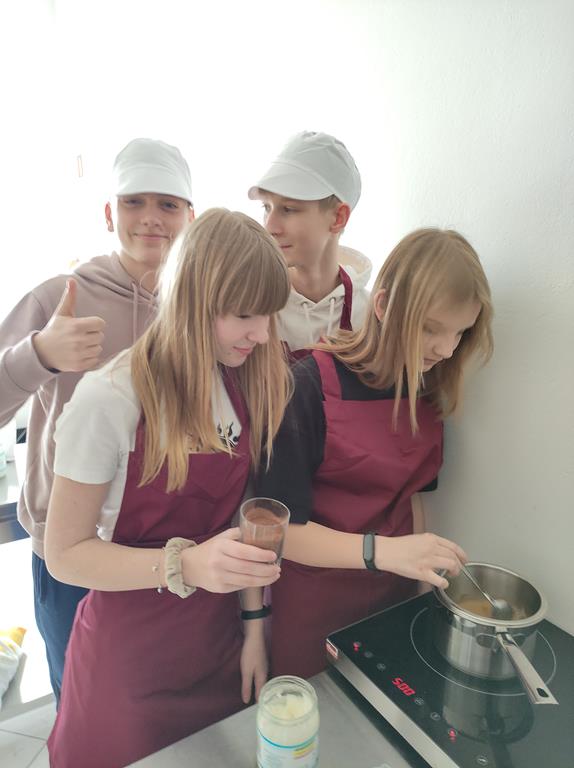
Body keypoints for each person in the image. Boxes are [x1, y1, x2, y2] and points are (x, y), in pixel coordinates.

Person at [44, 208, 293, 768]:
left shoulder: (237, 380)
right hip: (131, 666)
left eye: (268, 315)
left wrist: (254, 628)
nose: (261, 334)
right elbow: (64, 555)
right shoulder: (109, 399)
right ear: (192, 300)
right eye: (245, 315)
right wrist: (186, 565)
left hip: (216, 645)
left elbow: (238, 527)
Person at [0, 137, 195, 703]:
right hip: (71, 548)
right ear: (110, 213)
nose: (150, 218)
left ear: (191, 217)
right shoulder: (59, 297)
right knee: (82, 703)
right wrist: (39, 354)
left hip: (166, 547)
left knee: (155, 707)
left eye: (167, 204)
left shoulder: (199, 307)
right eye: (134, 202)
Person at [256, 228, 494, 679]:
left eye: (460, 333)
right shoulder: (307, 386)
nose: (446, 350)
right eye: (431, 328)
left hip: (393, 595)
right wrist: (381, 552)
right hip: (313, 602)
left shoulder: (427, 390)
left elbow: (412, 499)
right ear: (383, 305)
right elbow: (279, 532)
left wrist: (422, 589)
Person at [248, 130, 372, 360]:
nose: (270, 227)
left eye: (288, 209)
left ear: (338, 218)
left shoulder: (372, 317)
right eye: (266, 207)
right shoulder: (252, 307)